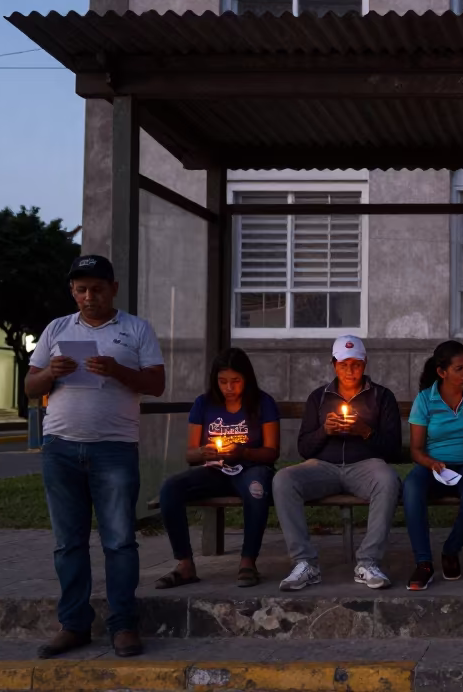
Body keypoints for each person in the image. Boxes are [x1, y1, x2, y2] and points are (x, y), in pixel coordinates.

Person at [24, 255, 165, 659]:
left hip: (114, 449)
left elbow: (156, 383)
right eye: (81, 290)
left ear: (113, 288)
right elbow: (30, 386)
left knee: (119, 542)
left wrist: (117, 370)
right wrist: (51, 373)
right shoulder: (57, 329)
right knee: (68, 543)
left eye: (97, 289)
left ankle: (123, 626)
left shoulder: (136, 328)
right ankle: (74, 625)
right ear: (72, 291)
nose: (90, 297)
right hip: (61, 447)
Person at [273, 335, 402, 591]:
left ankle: (368, 561)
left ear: (365, 363)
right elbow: (303, 448)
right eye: (344, 365)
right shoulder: (319, 398)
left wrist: (365, 431)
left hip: (365, 465)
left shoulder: (382, 397)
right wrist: (324, 431)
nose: (350, 371)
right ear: (333, 365)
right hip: (323, 466)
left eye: (356, 364)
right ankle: (304, 563)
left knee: (388, 479)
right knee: (283, 480)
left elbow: (393, 449)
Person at [154, 348, 279, 590]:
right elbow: (190, 453)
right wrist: (202, 452)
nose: (229, 388)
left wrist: (243, 452)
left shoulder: (263, 403)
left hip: (250, 468)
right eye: (223, 382)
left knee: (256, 488)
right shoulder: (204, 404)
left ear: (247, 379)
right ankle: (185, 564)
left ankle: (248, 562)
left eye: (236, 381)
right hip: (214, 470)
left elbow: (272, 452)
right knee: (170, 488)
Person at [404, 340, 463, 591]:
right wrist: (431, 463)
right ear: (442, 372)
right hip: (434, 466)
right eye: (460, 369)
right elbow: (415, 450)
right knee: (411, 489)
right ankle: (423, 563)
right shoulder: (425, 400)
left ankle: (451, 550)